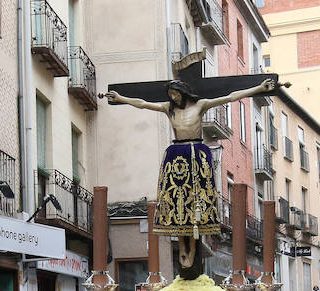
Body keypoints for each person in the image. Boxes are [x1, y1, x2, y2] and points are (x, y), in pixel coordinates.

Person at [106, 78, 275, 277]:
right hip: (177, 155)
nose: (173, 97)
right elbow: (143, 104)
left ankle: (192, 247)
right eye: (171, 95)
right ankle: (184, 245)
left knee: (195, 201)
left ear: (183, 92)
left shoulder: (200, 105)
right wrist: (121, 98)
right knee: (178, 201)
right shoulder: (168, 109)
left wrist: (259, 88)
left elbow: (229, 97)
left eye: (175, 93)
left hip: (196, 154)